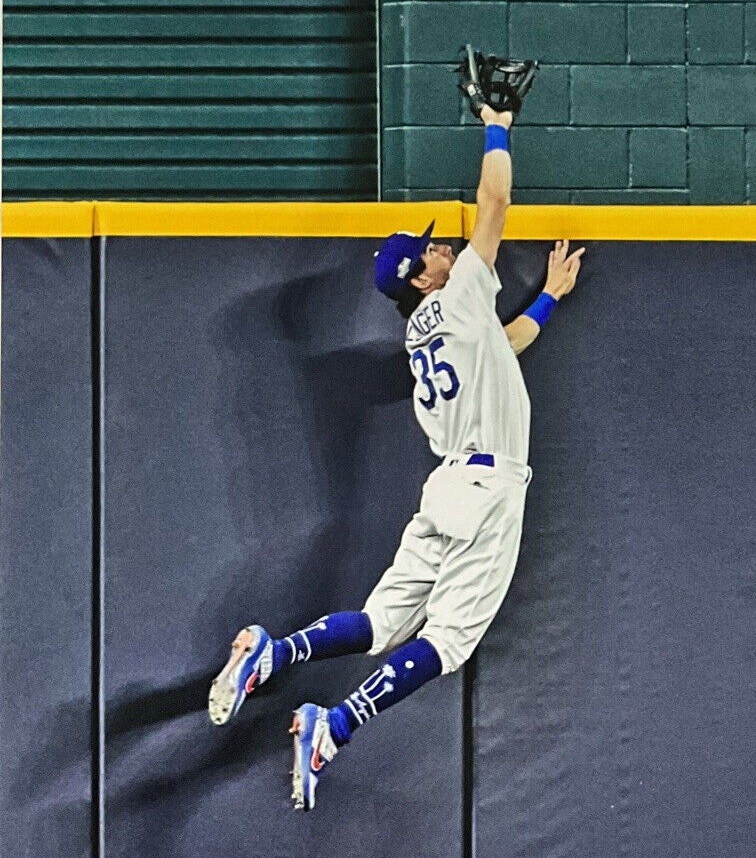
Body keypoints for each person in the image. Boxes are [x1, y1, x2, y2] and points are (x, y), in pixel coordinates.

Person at [208, 103, 584, 809]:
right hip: (488, 491)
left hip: (446, 490)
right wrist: (495, 122)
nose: (445, 248)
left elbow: (501, 351)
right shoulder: (464, 290)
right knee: (449, 643)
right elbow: (495, 199)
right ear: (422, 277)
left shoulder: (423, 338)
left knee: (382, 625)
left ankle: (276, 653)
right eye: (434, 249)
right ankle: (335, 723)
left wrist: (548, 303)